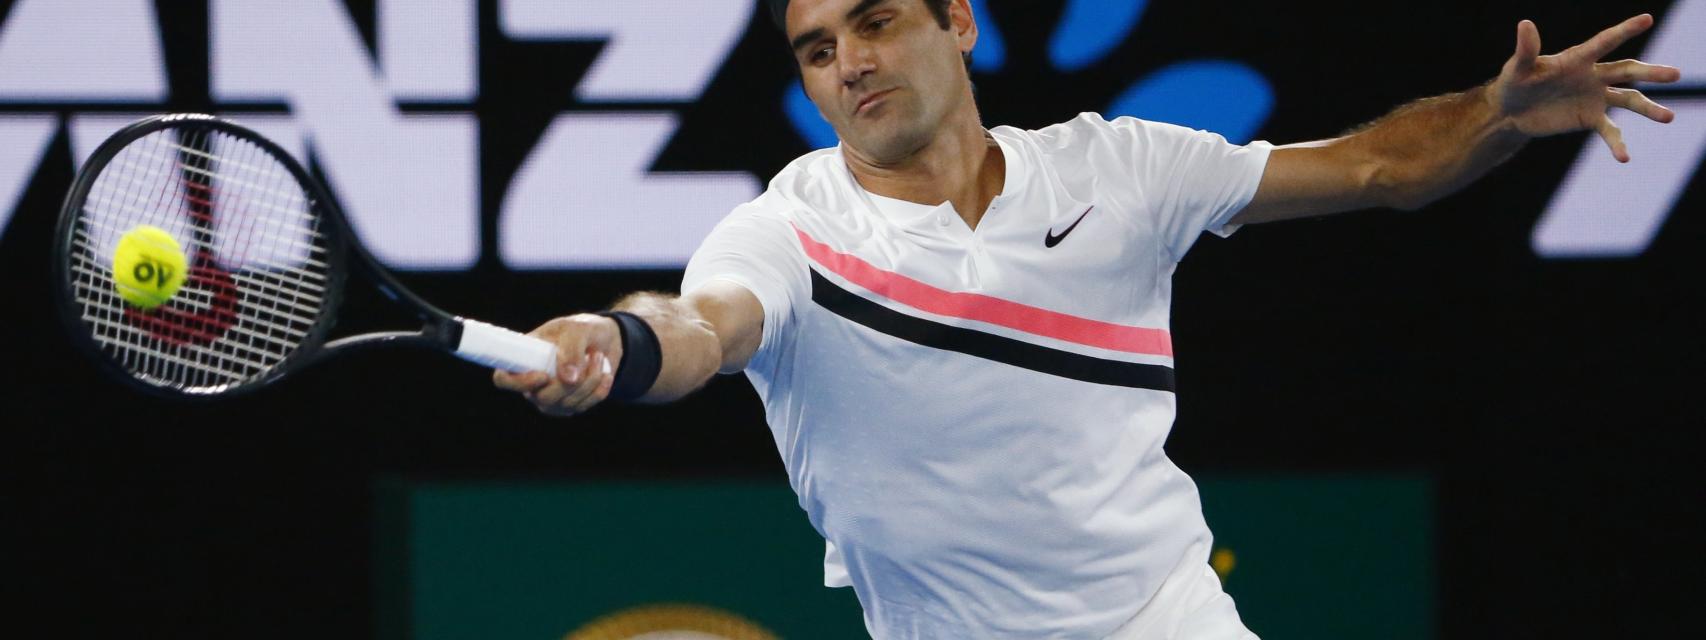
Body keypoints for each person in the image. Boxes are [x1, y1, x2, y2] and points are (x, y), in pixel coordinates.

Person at [494, 1, 1681, 637]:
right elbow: (702, 325)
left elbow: (1376, 167)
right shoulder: (789, 230)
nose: (847, 63)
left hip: (1163, 616)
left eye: (874, 23)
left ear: (957, 20)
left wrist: (1495, 109)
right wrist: (621, 338)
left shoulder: (1116, 168)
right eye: (815, 50)